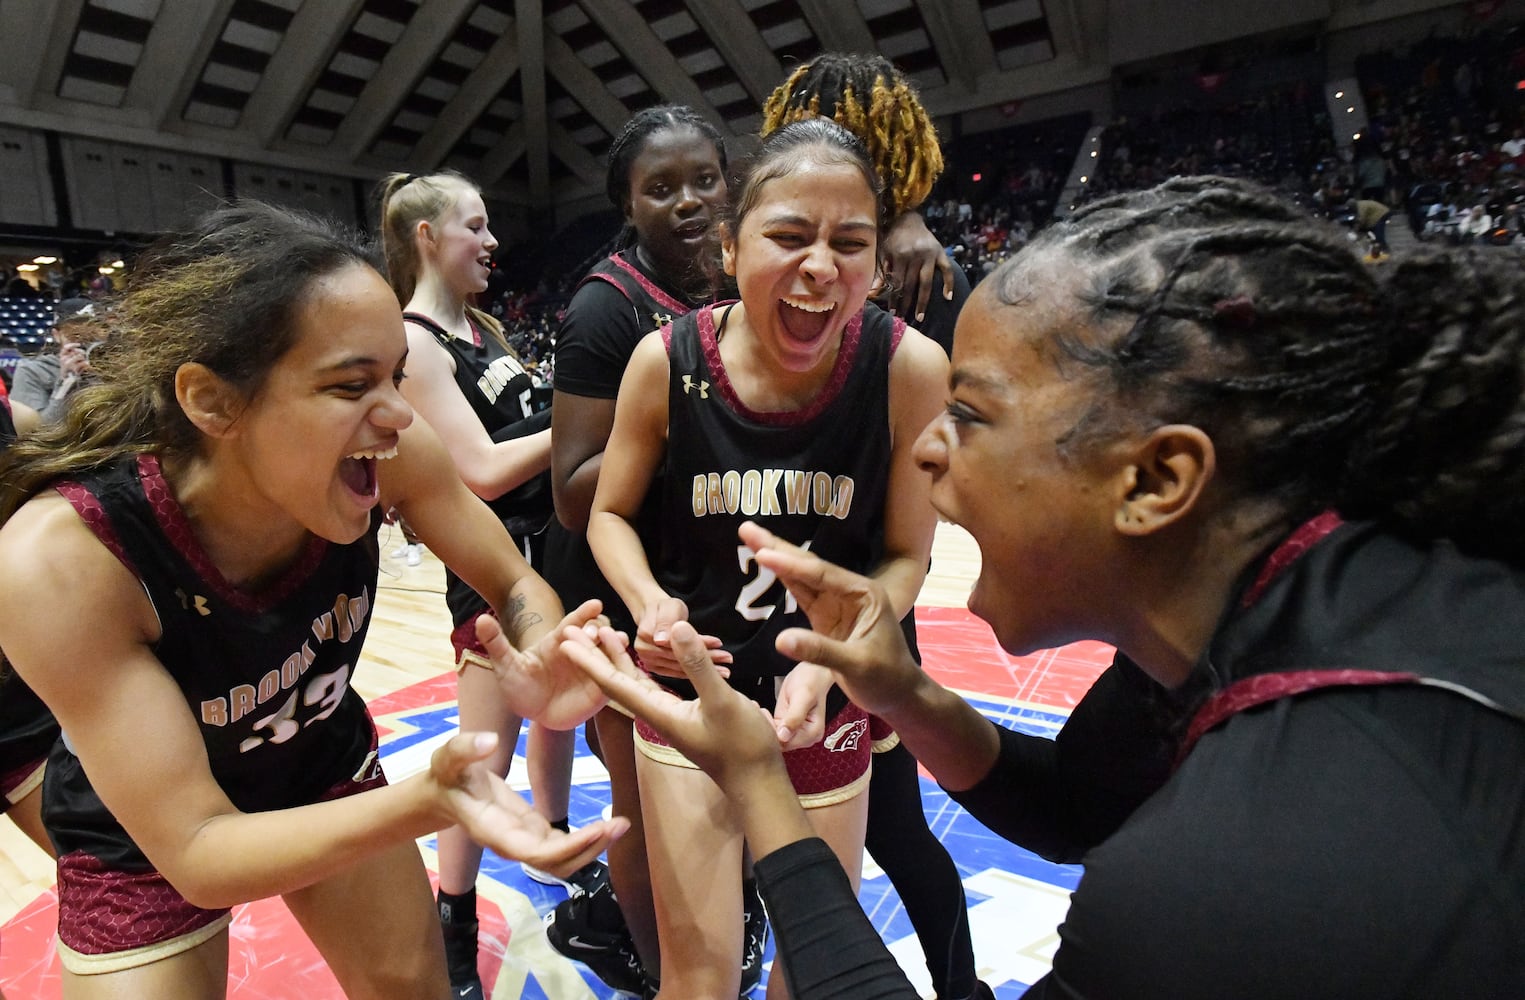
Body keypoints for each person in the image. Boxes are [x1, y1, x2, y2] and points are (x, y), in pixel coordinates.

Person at [562, 175, 1525, 998]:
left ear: (1153, 481)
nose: (928, 449)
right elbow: (1072, 803)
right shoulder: (1299, 601)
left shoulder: (1244, 876)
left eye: (970, 412)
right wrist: (900, 689)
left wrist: (759, 787)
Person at [0, 202, 627, 1000]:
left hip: (314, 759)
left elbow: (509, 582)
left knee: (413, 987)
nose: (400, 413)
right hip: (149, 834)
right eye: (351, 384)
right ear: (213, 401)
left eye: (397, 374)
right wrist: (430, 800)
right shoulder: (60, 558)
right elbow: (197, 850)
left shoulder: (386, 448)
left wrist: (540, 644)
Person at [585, 118, 948, 1000]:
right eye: (789, 236)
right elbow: (606, 516)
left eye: (848, 243)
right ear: (730, 243)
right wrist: (648, 605)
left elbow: (907, 558)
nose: (821, 266)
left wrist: (836, 658)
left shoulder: (908, 367)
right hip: (693, 694)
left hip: (818, 705)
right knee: (699, 970)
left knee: (808, 971)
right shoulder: (661, 360)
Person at [757, 51, 987, 1000]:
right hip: (794, 579)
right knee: (857, 831)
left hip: (856, 589)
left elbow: (944, 447)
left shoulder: (920, 284)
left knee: (875, 832)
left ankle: (957, 989)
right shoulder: (913, 262)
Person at [377, 170, 590, 1000]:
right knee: (482, 754)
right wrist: (582, 420)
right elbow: (483, 470)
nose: (493, 240)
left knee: (561, 714)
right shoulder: (416, 342)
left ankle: (560, 837)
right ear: (427, 236)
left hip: (546, 555)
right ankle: (454, 917)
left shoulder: (487, 327)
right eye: (475, 225)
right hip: (489, 568)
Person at [542, 104, 735, 996]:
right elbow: (575, 489)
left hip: (692, 578)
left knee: (708, 787)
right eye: (662, 188)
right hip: (614, 588)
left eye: (704, 178)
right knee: (643, 801)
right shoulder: (603, 308)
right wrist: (679, 443)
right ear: (629, 202)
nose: (689, 200)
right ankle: (665, 975)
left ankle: (714, 938)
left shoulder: (729, 285)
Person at [760, 53, 967, 352]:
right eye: (797, 138)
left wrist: (902, 218)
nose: (817, 155)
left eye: (844, 144)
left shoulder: (922, 276)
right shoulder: (751, 249)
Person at [9, 297, 103, 424]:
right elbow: (35, 432)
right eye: (75, 336)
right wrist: (66, 383)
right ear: (56, 335)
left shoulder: (113, 365)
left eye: (91, 335)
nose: (85, 343)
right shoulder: (32, 371)